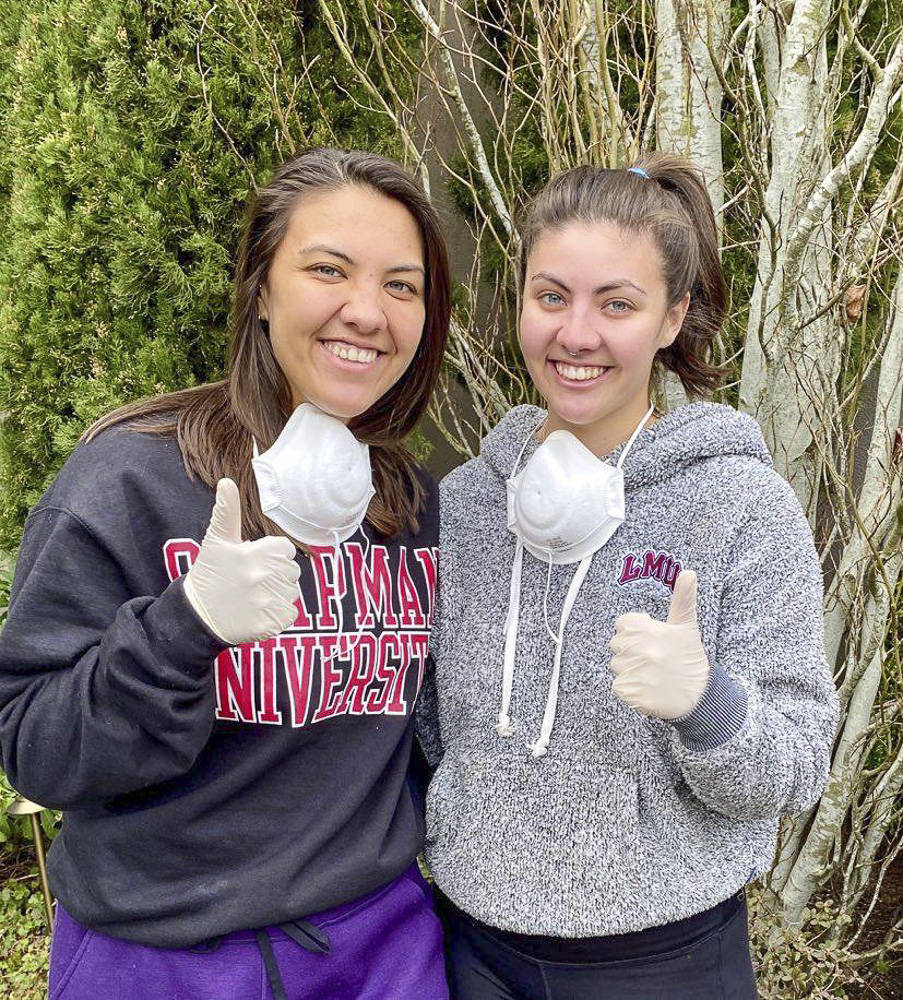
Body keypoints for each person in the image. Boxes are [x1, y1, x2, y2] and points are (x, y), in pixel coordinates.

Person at [0, 148, 451, 1000]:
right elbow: (34, 749)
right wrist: (183, 629)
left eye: (402, 285)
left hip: (380, 953)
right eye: (328, 270)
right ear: (260, 288)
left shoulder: (410, 508)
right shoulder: (128, 484)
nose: (367, 311)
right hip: (160, 962)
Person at [417, 155, 839, 999]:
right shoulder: (464, 504)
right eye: (551, 297)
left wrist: (705, 705)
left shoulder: (737, 504)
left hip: (662, 961)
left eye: (617, 303)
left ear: (671, 316)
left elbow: (794, 768)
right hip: (472, 948)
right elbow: (431, 728)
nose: (577, 334)